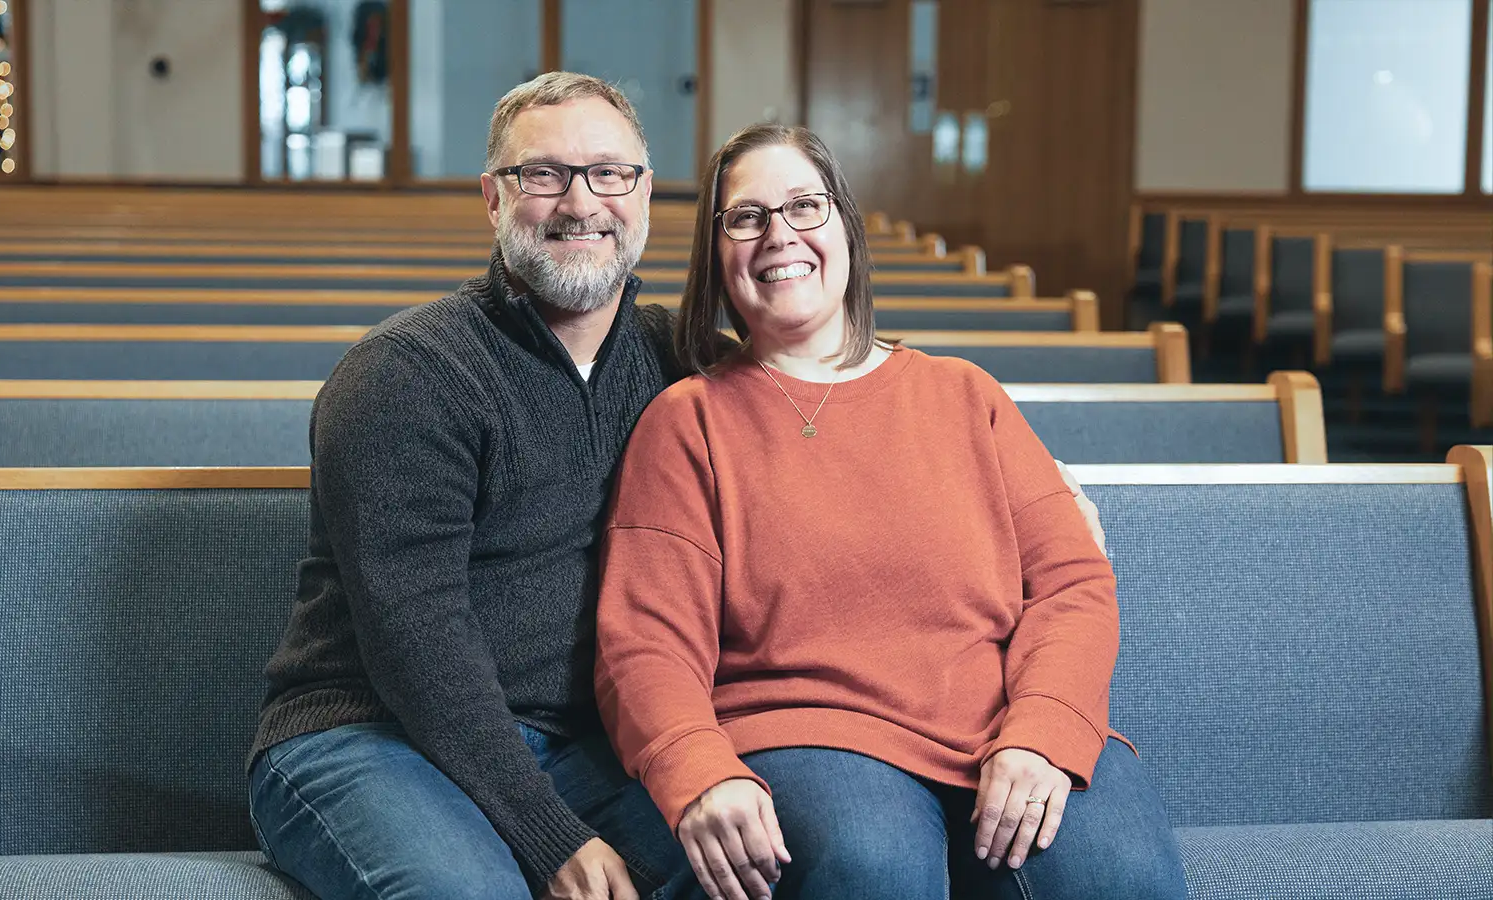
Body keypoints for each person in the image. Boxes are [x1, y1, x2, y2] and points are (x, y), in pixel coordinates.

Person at [247, 72, 1106, 900]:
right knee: (470, 890)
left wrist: (1026, 498)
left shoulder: (674, 362)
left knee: (773, 856)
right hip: (374, 733)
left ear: (645, 194)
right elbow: (418, 644)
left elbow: (829, 410)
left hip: (583, 745)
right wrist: (553, 840)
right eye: (543, 174)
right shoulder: (407, 376)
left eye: (608, 173)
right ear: (493, 197)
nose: (581, 201)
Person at [593, 123, 1187, 900]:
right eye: (746, 217)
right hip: (808, 730)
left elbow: (1072, 584)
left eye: (805, 206)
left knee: (1119, 873)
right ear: (717, 255)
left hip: (1000, 719)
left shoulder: (962, 393)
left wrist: (1042, 734)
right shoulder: (689, 421)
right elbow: (645, 640)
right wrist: (694, 770)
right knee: (876, 868)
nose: (780, 235)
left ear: (845, 226)